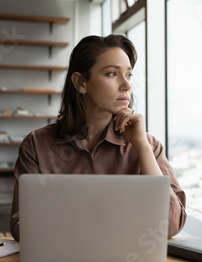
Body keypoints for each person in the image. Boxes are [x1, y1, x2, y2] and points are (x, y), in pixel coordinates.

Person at [10, 34, 187, 241]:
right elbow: (21, 226)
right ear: (80, 83)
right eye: (112, 74)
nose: (127, 86)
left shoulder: (148, 145)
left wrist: (141, 146)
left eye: (128, 75)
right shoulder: (36, 145)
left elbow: (171, 225)